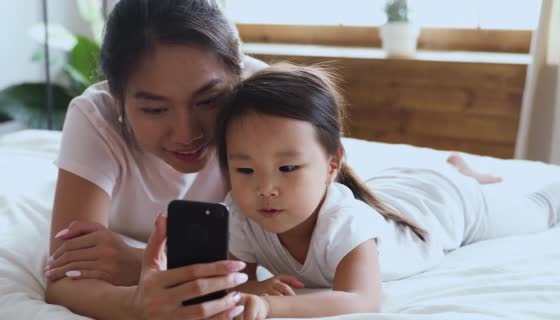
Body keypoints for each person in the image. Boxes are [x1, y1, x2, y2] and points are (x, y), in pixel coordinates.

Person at [214, 63, 560, 319]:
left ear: (332, 166)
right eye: (245, 169)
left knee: (539, 210)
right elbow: (240, 280)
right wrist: (252, 288)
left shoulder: (345, 223)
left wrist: (271, 305)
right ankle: (461, 171)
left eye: (287, 168)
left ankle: (463, 178)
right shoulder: (242, 213)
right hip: (396, 191)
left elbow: (361, 300)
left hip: (446, 206)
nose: (265, 189)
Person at [44, 1, 267, 319]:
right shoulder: (96, 118)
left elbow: (279, 250)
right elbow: (64, 282)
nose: (186, 133)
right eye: (155, 109)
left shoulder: (260, 96)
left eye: (209, 100)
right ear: (117, 98)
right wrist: (136, 305)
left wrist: (135, 262)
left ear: (239, 75)